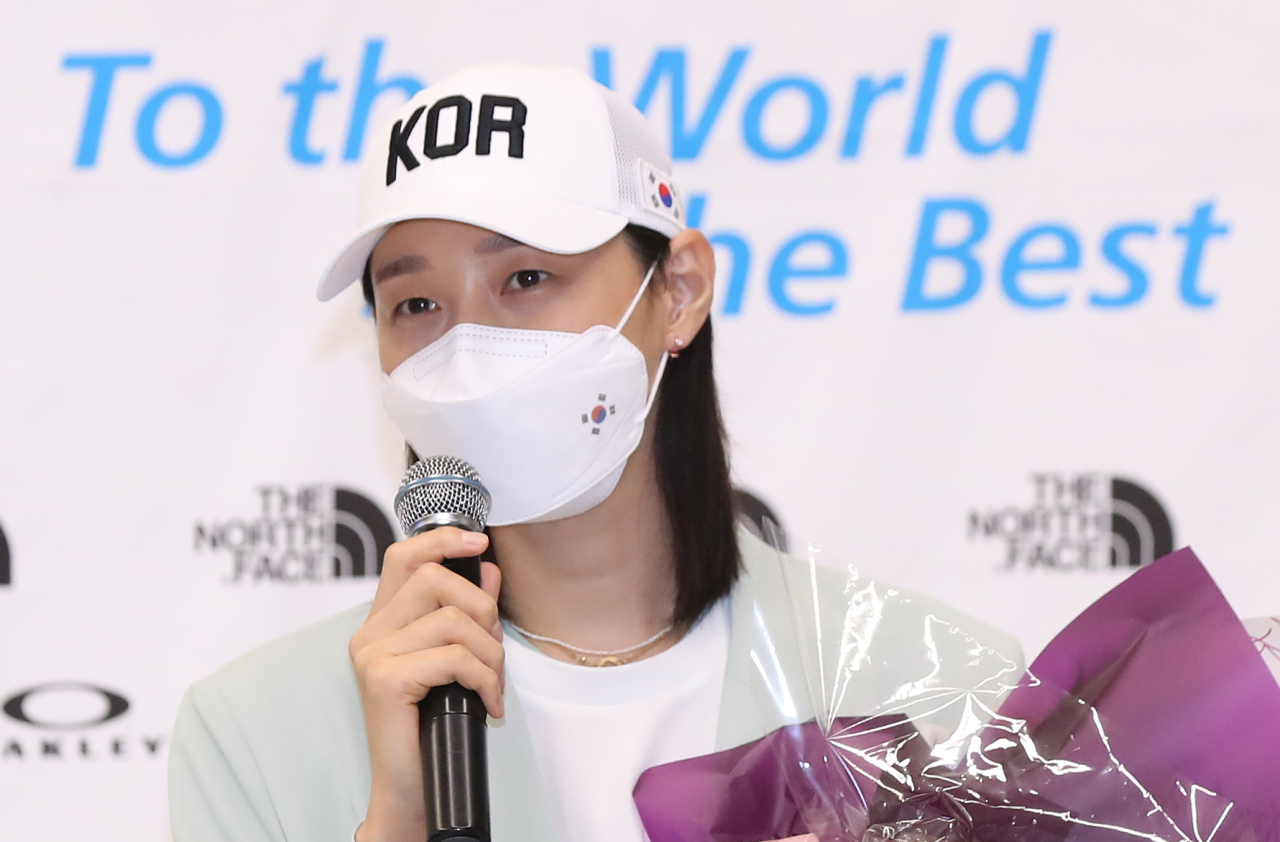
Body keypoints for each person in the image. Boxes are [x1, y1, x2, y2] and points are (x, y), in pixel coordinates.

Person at [168, 63, 1023, 842]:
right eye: (418, 303)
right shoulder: (253, 732)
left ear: (679, 291)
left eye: (527, 279)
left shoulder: (934, 687)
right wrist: (398, 817)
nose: (468, 346)